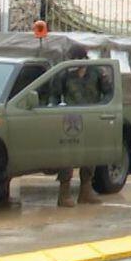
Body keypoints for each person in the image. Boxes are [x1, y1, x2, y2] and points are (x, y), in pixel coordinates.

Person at [54, 46, 113, 208]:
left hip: (91, 117)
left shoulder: (97, 73)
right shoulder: (65, 73)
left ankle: (85, 191)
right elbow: (55, 93)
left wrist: (101, 107)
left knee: (90, 155)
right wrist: (56, 107)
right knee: (68, 155)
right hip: (71, 119)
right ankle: (64, 193)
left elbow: (109, 92)